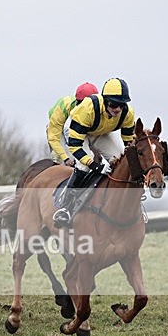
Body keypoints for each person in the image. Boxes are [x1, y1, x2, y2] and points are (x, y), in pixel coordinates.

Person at [52, 78, 136, 228]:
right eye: (113, 104)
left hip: (100, 130)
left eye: (122, 104)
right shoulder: (87, 109)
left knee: (119, 159)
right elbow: (75, 146)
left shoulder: (127, 114)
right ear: (105, 101)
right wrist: (96, 166)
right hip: (77, 130)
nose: (117, 109)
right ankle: (66, 205)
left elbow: (129, 144)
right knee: (85, 164)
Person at [46, 82, 99, 166]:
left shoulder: (98, 109)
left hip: (77, 127)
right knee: (61, 158)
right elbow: (53, 139)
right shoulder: (61, 109)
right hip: (59, 126)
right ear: (77, 101)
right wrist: (65, 158)